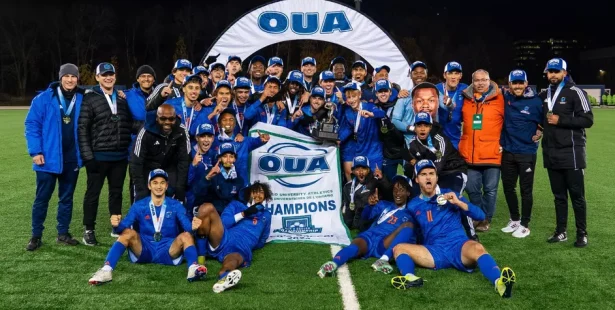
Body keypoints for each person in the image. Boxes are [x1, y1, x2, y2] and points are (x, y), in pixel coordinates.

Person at [390, 160, 516, 298]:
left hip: (458, 246)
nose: (428, 177)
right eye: (423, 174)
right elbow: (410, 231)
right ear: (417, 179)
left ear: (437, 177)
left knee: (477, 247)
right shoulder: (413, 205)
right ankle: (410, 278)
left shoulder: (451, 195)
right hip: (433, 251)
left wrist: (459, 202)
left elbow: (480, 215)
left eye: (431, 174)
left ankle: (500, 283)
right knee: (399, 248)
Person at [87, 169, 207, 285]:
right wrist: (116, 225)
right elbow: (122, 229)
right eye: (155, 183)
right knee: (128, 232)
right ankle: (107, 270)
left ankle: (193, 268)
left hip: (169, 249)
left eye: (162, 183)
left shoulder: (176, 205)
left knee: (186, 236)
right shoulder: (139, 205)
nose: (158, 186)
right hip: (144, 248)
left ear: (166, 186)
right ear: (149, 186)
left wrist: (193, 227)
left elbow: (187, 228)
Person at [78, 62, 141, 245]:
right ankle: (89, 229)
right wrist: (88, 156)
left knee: (116, 193)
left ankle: (116, 225)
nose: (108, 77)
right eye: (104, 75)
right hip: (98, 156)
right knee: (93, 194)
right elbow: (82, 129)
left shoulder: (121, 99)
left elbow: (129, 124)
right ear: (97, 77)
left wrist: (151, 126)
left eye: (111, 74)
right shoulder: (90, 98)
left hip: (120, 156)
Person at [24, 63, 84, 250]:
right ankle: (36, 236)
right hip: (47, 158)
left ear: (77, 79)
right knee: (42, 199)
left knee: (66, 199)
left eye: (73, 76)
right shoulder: (43, 99)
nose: (70, 79)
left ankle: (63, 233)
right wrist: (36, 152)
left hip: (71, 157)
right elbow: (32, 125)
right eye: (66, 76)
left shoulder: (83, 98)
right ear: (60, 77)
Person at [539, 58, 593, 247]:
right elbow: (541, 119)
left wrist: (560, 120)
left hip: (572, 153)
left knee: (577, 197)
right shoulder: (545, 94)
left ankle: (582, 233)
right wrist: (539, 129)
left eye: (556, 71)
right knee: (559, 197)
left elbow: (587, 119)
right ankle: (561, 231)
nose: (553, 75)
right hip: (551, 153)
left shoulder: (576, 92)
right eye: (550, 71)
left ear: (564, 72)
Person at [318, 177, 416, 278]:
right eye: (395, 189)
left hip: (385, 242)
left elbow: (409, 235)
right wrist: (369, 206)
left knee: (407, 225)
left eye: (401, 190)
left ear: (408, 193)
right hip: (370, 236)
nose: (397, 193)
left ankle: (383, 260)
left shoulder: (410, 214)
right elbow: (364, 219)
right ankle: (333, 263)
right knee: (354, 247)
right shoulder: (383, 204)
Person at [194, 181, 273, 293]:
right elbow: (225, 223)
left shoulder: (266, 215)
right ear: (248, 193)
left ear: (265, 196)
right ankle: (201, 260)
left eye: (261, 192)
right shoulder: (236, 205)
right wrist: (244, 214)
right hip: (224, 238)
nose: (258, 195)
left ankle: (223, 278)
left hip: (241, 247)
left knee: (233, 260)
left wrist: (250, 244)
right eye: (254, 191)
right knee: (206, 207)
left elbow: (262, 239)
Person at [458, 69, 504, 232]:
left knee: (490, 190)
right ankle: (479, 215)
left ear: (489, 80)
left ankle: (485, 219)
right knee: (472, 189)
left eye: (484, 80)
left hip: (492, 153)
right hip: (470, 153)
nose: (480, 83)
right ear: (472, 81)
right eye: (477, 80)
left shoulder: (501, 98)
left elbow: (510, 122)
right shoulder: (465, 98)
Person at [499, 70, 543, 238]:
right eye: (514, 83)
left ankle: (525, 224)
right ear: (509, 84)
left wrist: (540, 130)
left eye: (520, 83)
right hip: (508, 151)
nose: (517, 86)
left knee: (526, 190)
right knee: (509, 188)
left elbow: (546, 120)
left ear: (526, 83)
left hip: (526, 152)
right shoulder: (506, 98)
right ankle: (515, 219)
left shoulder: (536, 102)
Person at [130, 104, 190, 203]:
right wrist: (141, 190)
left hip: (169, 167)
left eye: (171, 119)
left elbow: (184, 160)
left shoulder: (182, 130)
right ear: (157, 118)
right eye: (163, 119)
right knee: (142, 200)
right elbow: (136, 161)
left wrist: (180, 188)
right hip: (147, 168)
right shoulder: (145, 131)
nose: (167, 122)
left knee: (177, 198)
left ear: (175, 118)